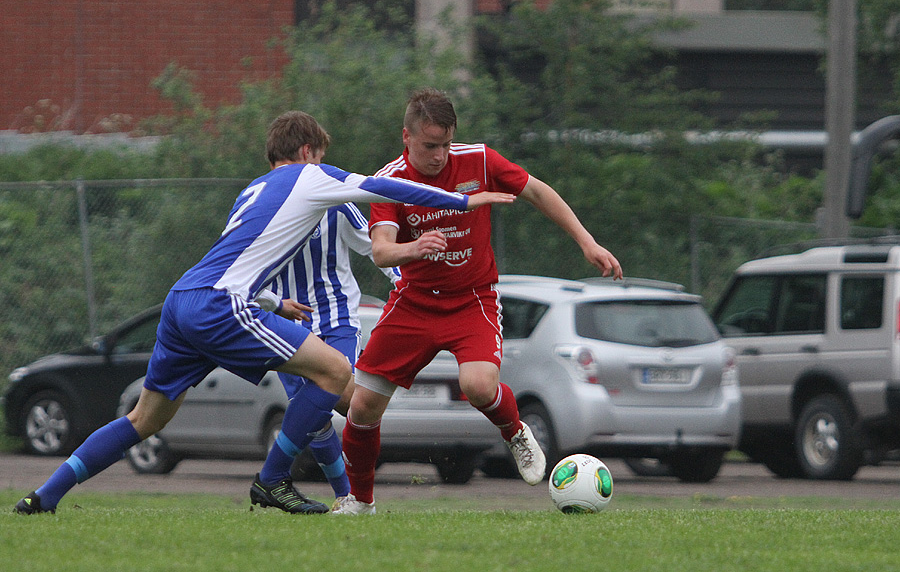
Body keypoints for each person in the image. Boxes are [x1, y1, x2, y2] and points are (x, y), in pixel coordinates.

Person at [14, 110, 515, 515]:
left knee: (145, 418)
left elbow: (234, 258)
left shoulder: (251, 190)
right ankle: (272, 480)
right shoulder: (312, 175)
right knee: (336, 372)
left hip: (183, 299)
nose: (325, 162)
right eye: (321, 153)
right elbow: (391, 189)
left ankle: (46, 496)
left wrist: (275, 303)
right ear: (306, 152)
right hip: (219, 306)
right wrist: (458, 200)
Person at [333, 88, 623, 515]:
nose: (440, 155)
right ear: (406, 137)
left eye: (446, 144)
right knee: (362, 405)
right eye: (430, 145)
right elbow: (381, 251)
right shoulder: (390, 181)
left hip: (472, 300)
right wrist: (414, 249)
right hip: (414, 302)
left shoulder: (479, 160)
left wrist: (587, 242)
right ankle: (360, 502)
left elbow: (538, 192)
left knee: (478, 386)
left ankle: (515, 432)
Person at [257, 203, 399, 507]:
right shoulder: (266, 204)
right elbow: (241, 269)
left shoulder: (336, 203)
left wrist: (405, 282)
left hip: (338, 321)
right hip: (287, 324)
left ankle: (348, 490)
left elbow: (378, 245)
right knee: (311, 412)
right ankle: (345, 495)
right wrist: (271, 301)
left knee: (345, 400)